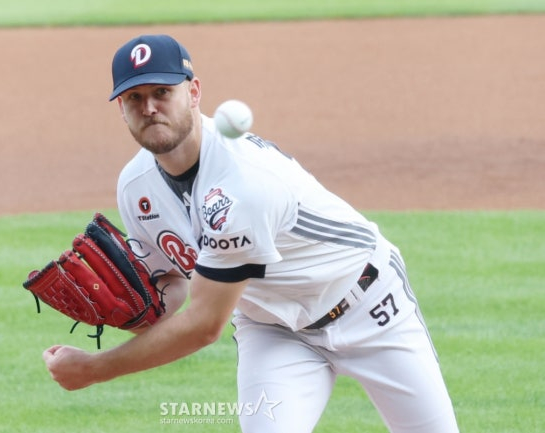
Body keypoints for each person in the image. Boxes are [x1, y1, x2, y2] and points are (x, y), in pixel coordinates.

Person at [42, 34, 460, 433]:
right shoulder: (135, 188)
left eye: (162, 92)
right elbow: (173, 285)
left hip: (369, 306)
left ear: (194, 92)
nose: (149, 107)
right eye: (134, 97)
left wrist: (94, 369)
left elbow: (205, 325)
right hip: (272, 330)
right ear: (121, 108)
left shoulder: (243, 184)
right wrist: (137, 314)